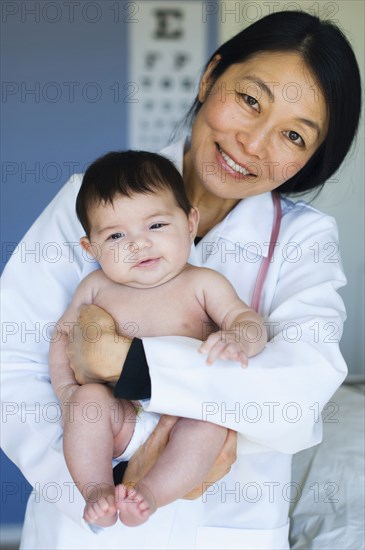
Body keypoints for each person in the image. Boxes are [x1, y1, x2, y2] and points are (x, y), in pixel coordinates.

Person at [1, 10, 361, 550]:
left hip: (225, 530)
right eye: (249, 100)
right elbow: (13, 359)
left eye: (292, 135)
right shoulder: (93, 200)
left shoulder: (304, 241)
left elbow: (299, 397)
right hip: (80, 528)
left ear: (311, 159)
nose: (254, 144)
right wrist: (89, 487)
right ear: (211, 75)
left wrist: (127, 362)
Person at [49, 150, 267, 528]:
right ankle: (97, 490)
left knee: (210, 420)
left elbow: (247, 320)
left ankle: (149, 494)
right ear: (91, 248)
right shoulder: (95, 286)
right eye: (116, 235)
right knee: (88, 401)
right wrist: (67, 389)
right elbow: (62, 337)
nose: (138, 244)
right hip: (122, 418)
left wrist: (238, 338)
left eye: (156, 226)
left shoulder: (202, 284)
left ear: (189, 222)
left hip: (184, 416)